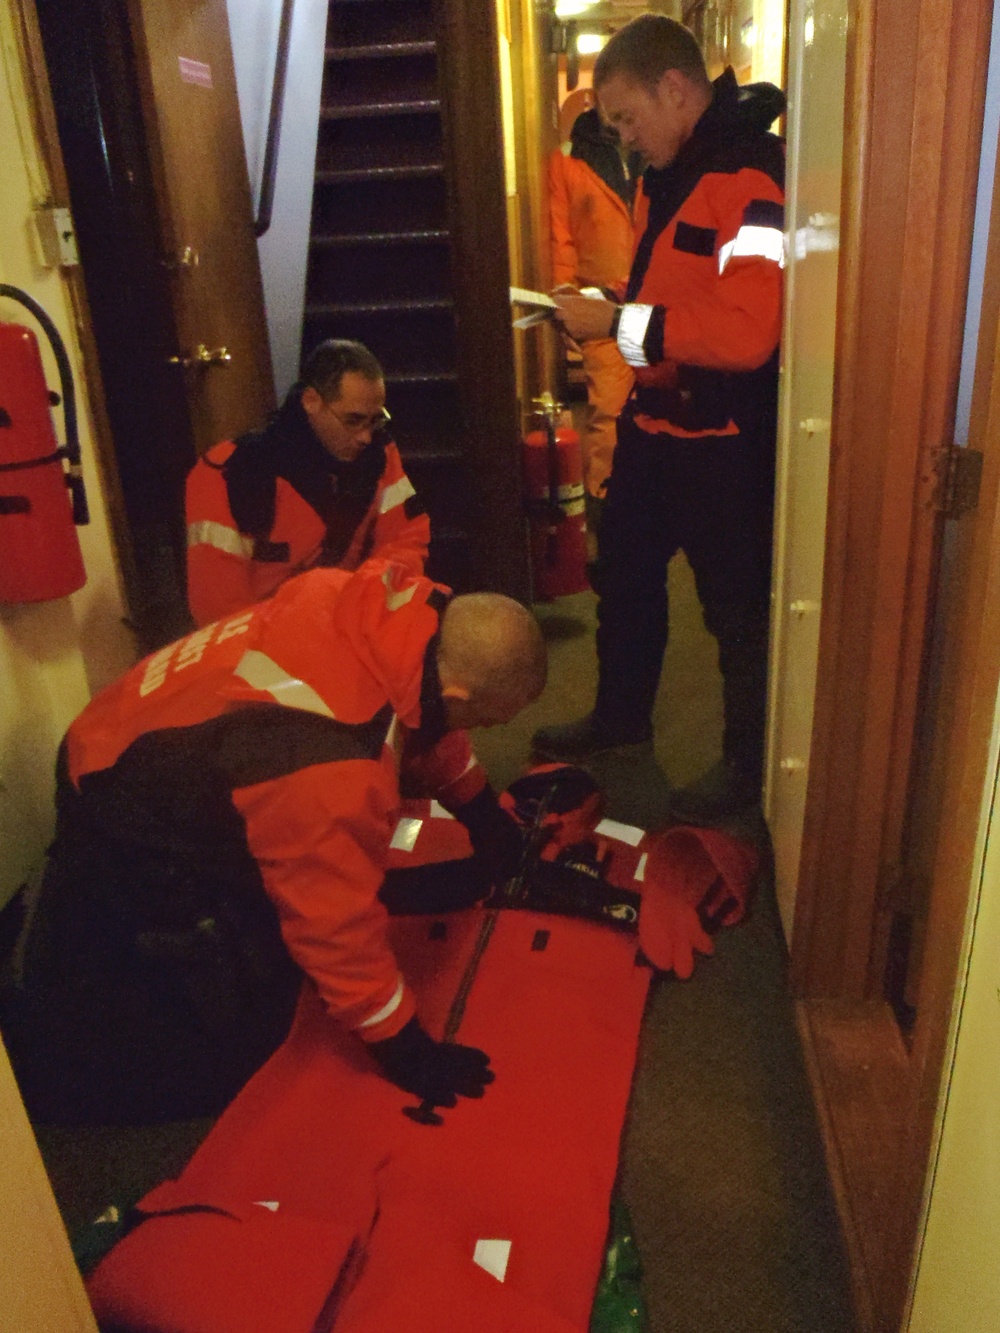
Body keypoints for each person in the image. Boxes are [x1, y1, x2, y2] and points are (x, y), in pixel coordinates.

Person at [3, 558, 545, 1125]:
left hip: (127, 728)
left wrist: (481, 811)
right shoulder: (324, 766)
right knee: (244, 1034)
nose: (477, 733)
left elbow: (423, 711)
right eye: (485, 720)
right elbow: (333, 928)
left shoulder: (388, 608)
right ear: (456, 692)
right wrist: (403, 1048)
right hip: (124, 804)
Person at [533, 16, 785, 820]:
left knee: (737, 613)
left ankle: (748, 767)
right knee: (627, 582)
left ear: (675, 89)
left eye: (625, 119)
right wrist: (608, 308)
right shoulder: (660, 177)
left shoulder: (754, 178)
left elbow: (749, 333)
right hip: (655, 423)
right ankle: (619, 722)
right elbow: (666, 299)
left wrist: (618, 327)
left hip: (725, 441)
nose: (624, 139)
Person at [185, 339, 429, 627]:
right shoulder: (227, 473)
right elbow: (219, 611)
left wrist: (364, 600)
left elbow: (406, 540)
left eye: (375, 420)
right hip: (262, 643)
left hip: (350, 623)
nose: (365, 436)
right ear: (311, 401)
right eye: (353, 420)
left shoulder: (379, 455)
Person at [548, 105, 639, 500]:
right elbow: (560, 239)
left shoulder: (653, 148)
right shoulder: (567, 161)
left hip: (660, 300)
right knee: (610, 416)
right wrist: (565, 302)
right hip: (602, 308)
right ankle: (607, 507)